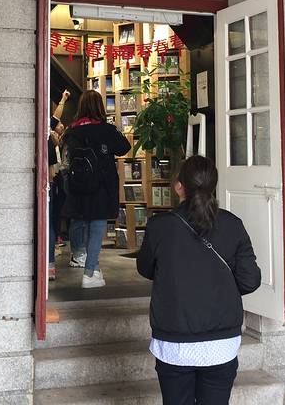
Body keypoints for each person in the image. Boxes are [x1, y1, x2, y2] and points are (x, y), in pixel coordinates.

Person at [137, 155, 262, 405]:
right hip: (221, 342)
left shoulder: (159, 227)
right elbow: (250, 281)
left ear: (178, 186)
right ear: (214, 185)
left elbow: (145, 268)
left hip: (174, 341)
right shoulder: (233, 224)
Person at [61, 90, 131, 288]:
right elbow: (124, 147)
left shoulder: (72, 131)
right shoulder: (106, 130)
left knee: (82, 222)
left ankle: (92, 266)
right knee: (97, 227)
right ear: (100, 107)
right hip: (101, 186)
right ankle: (90, 272)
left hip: (78, 186)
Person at [48, 89, 70, 281]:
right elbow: (55, 117)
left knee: (53, 217)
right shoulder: (48, 134)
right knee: (50, 219)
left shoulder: (53, 136)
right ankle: (49, 261)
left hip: (53, 179)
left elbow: (55, 117)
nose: (60, 125)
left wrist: (63, 99)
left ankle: (50, 259)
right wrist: (62, 99)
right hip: (50, 180)